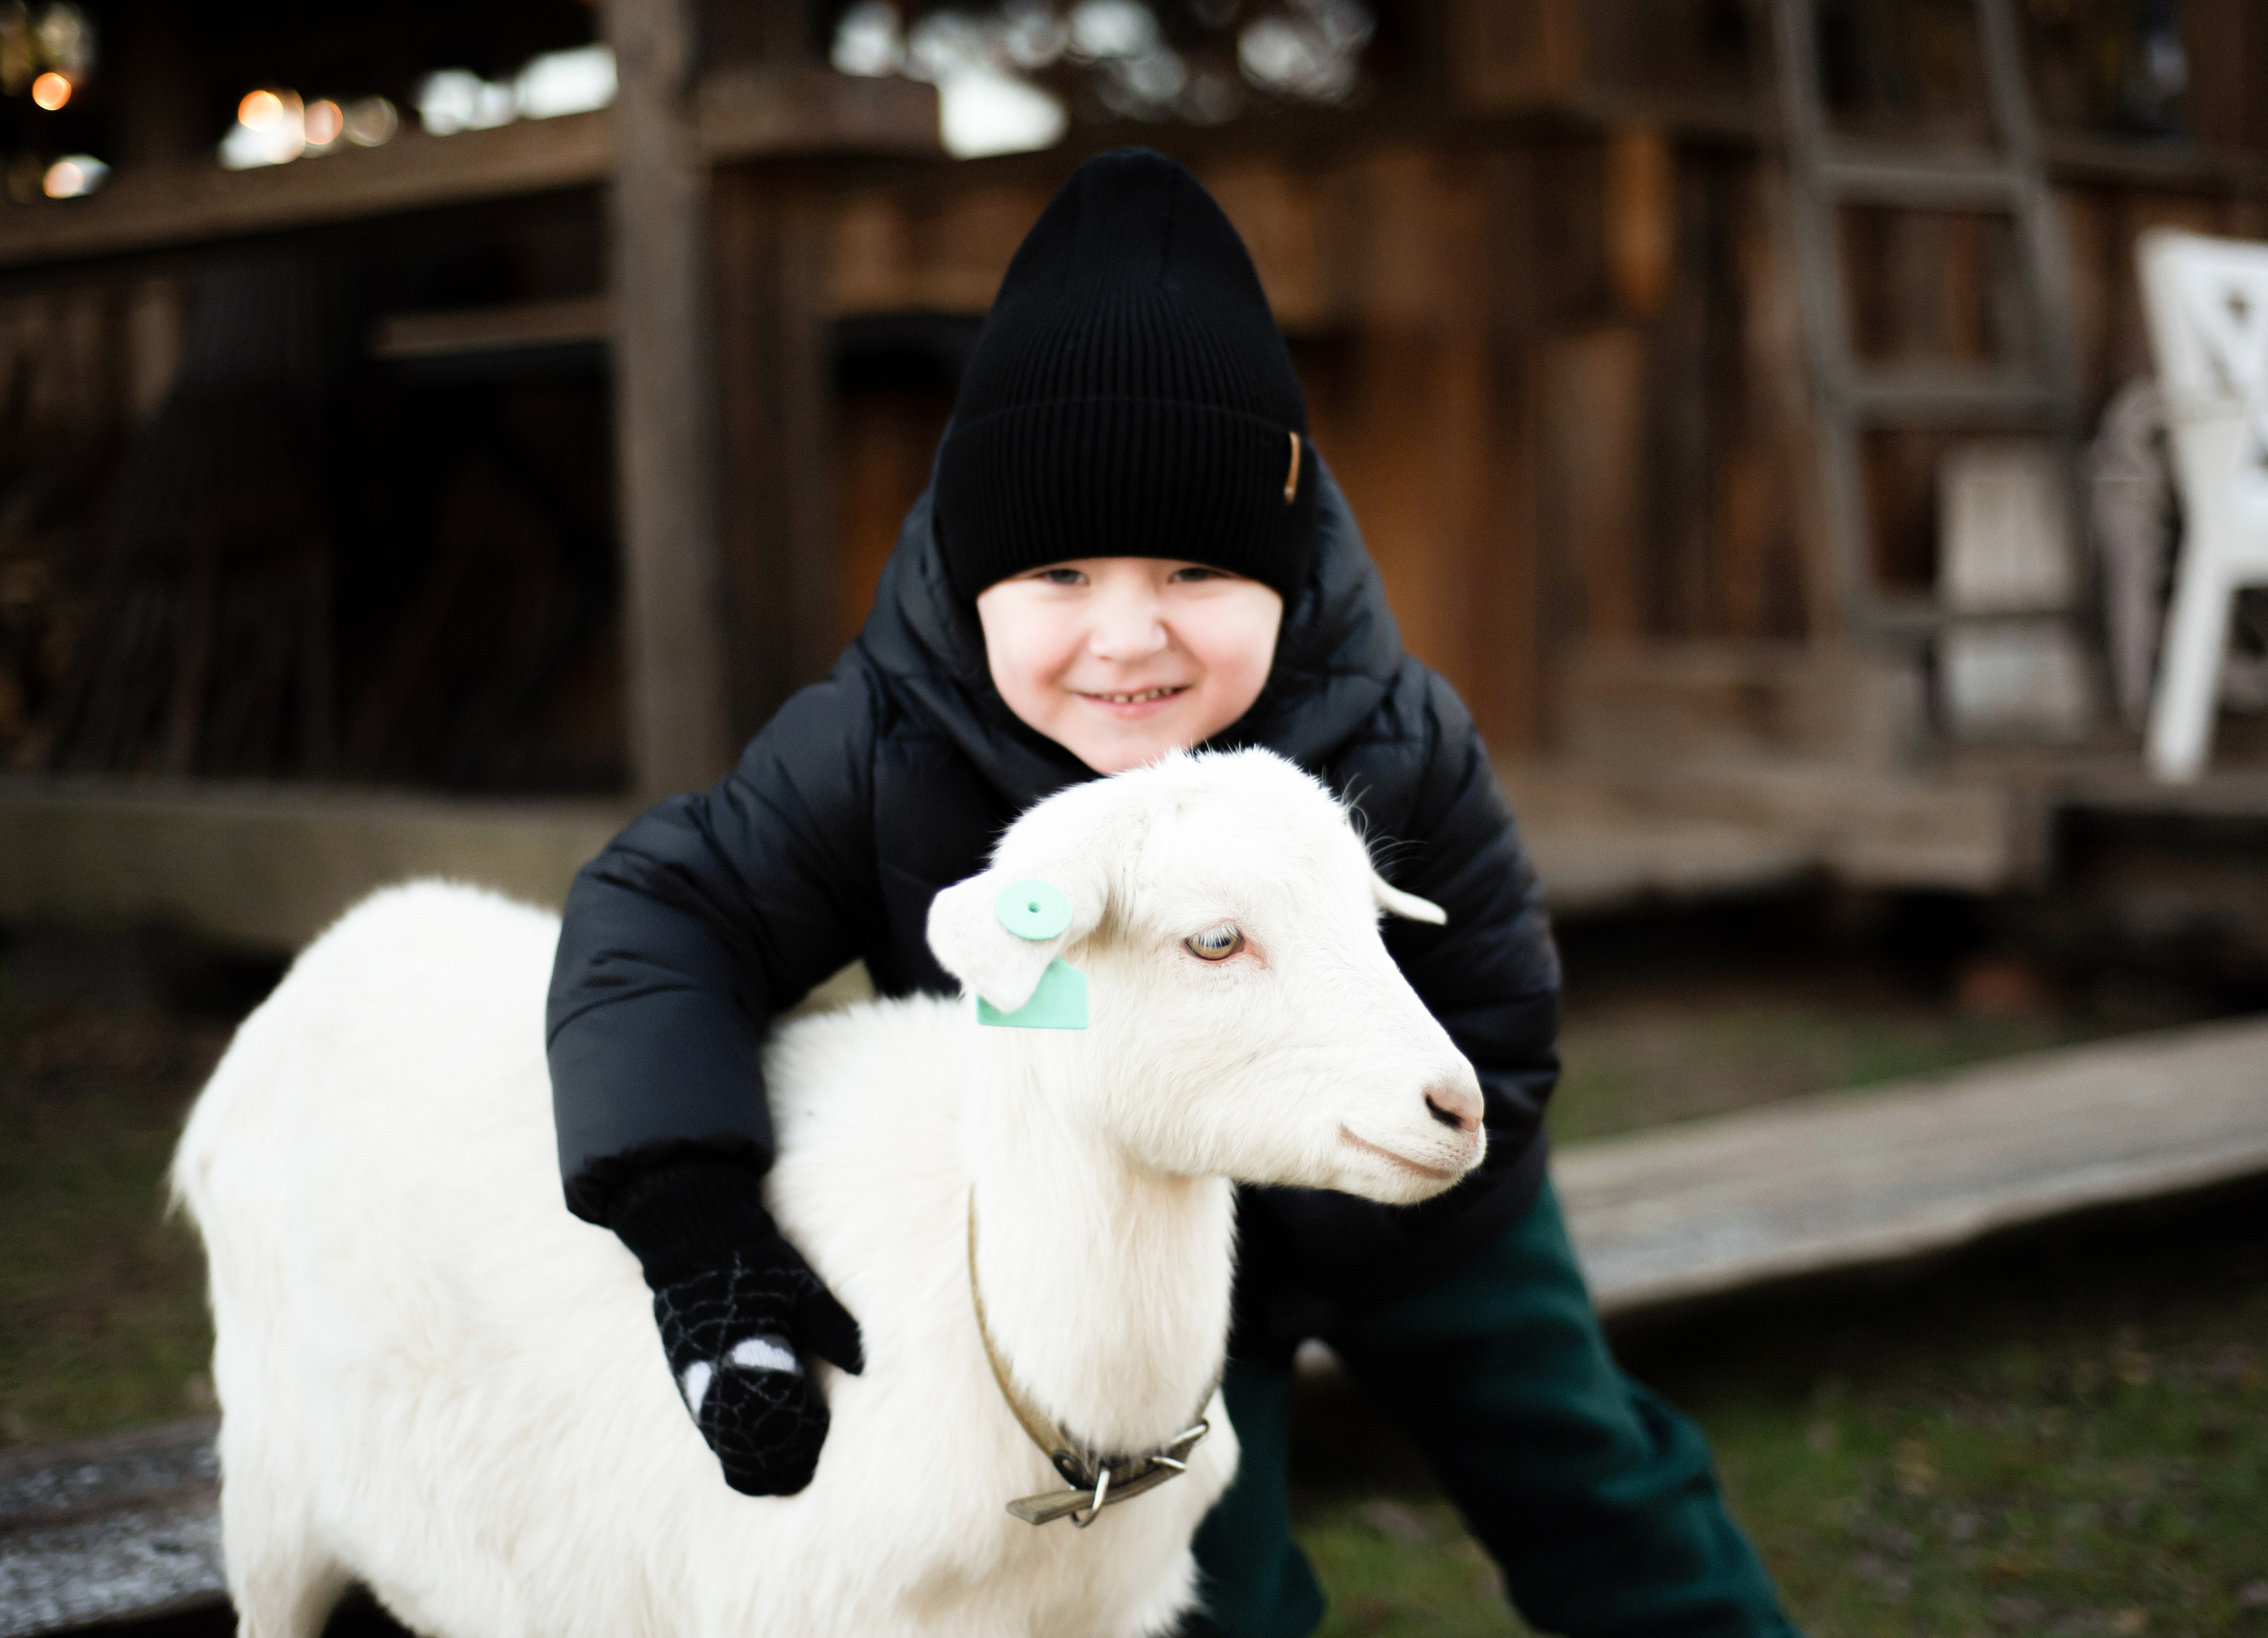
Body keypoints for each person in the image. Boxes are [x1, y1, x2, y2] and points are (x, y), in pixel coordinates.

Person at [547, 148, 1798, 1638]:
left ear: (1283, 570)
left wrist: (1316, 1153)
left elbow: (1499, 1020)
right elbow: (663, 911)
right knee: (1208, 1587)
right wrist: (693, 1217)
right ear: (976, 566)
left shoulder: (1395, 741)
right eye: (1060, 573)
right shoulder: (882, 745)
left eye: (1198, 568)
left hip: (1418, 1205)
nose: (1125, 636)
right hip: (1111, 1259)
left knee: (1584, 1463)